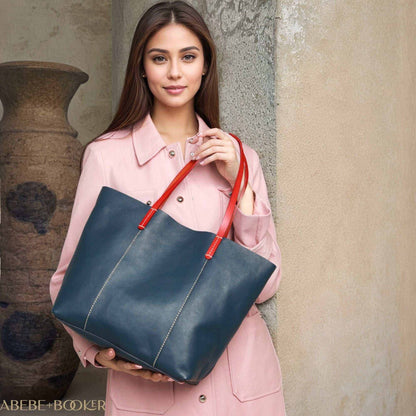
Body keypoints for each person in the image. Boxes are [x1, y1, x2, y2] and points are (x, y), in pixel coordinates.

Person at [49, 1, 286, 415]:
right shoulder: (108, 157)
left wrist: (240, 185)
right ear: (142, 66)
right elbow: (70, 281)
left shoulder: (240, 157)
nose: (175, 73)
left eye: (188, 57)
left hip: (241, 386)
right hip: (147, 391)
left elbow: (264, 286)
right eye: (160, 58)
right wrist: (100, 354)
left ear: (205, 67)